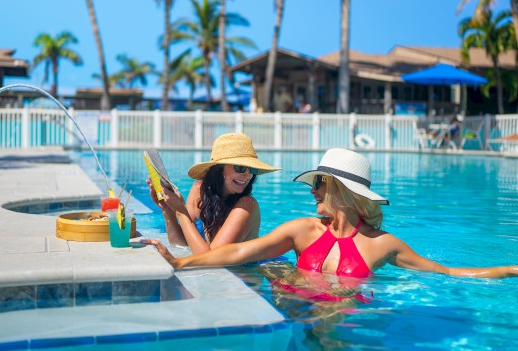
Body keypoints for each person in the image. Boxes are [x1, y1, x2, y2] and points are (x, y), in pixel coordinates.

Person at [145, 148, 517, 279]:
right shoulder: (302, 230)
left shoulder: (383, 245)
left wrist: (513, 269)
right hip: (299, 312)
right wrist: (179, 265)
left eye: (319, 184)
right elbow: (237, 254)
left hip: (350, 325)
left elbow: (451, 272)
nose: (312, 191)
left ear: (341, 190)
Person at [147, 132, 279, 254]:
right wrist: (168, 211)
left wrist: (181, 211)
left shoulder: (247, 205)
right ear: (219, 169)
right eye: (240, 167)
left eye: (252, 169)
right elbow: (182, 245)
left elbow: (210, 259)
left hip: (248, 273)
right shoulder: (199, 189)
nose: (247, 175)